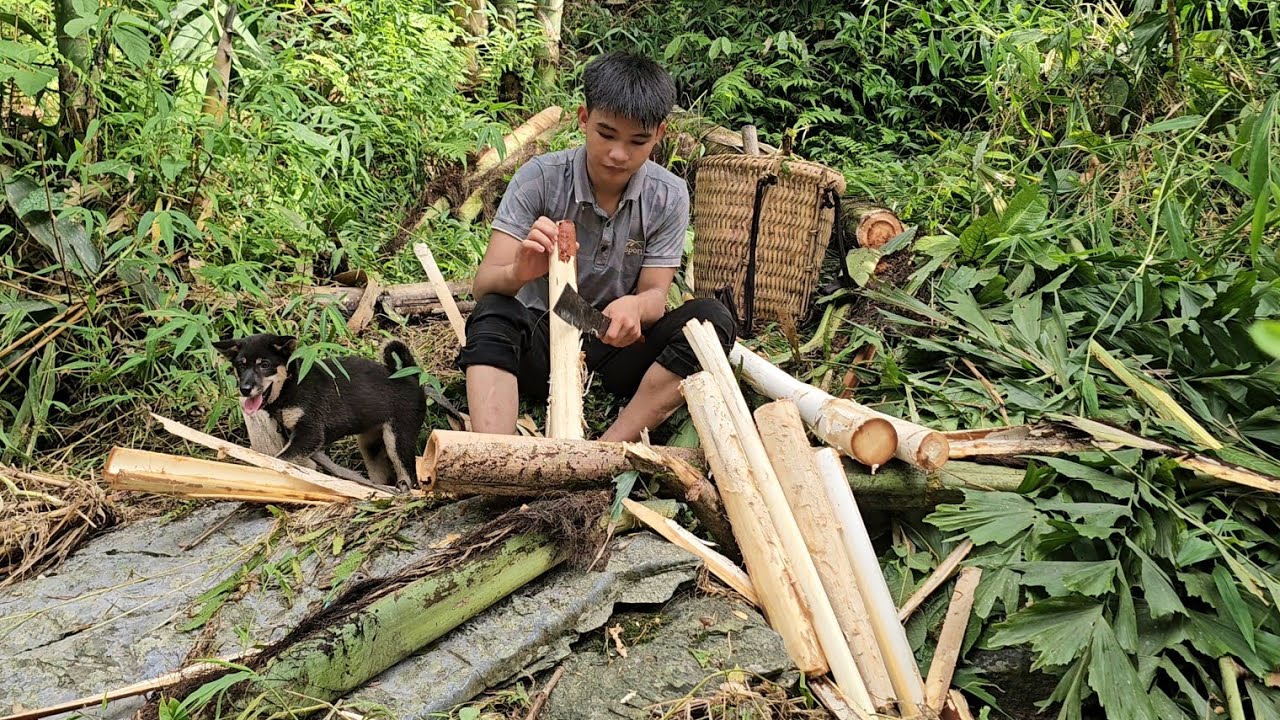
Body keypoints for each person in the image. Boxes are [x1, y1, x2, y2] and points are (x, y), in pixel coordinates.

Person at [456, 52, 736, 442]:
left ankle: (609, 448)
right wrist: (518, 272)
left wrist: (636, 307)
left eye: (638, 141)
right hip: (542, 338)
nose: (619, 154)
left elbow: (655, 294)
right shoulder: (540, 178)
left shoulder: (669, 195)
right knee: (493, 313)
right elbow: (484, 285)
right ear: (583, 118)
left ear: (660, 134)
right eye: (606, 134)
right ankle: (497, 455)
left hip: (614, 343)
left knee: (710, 319)